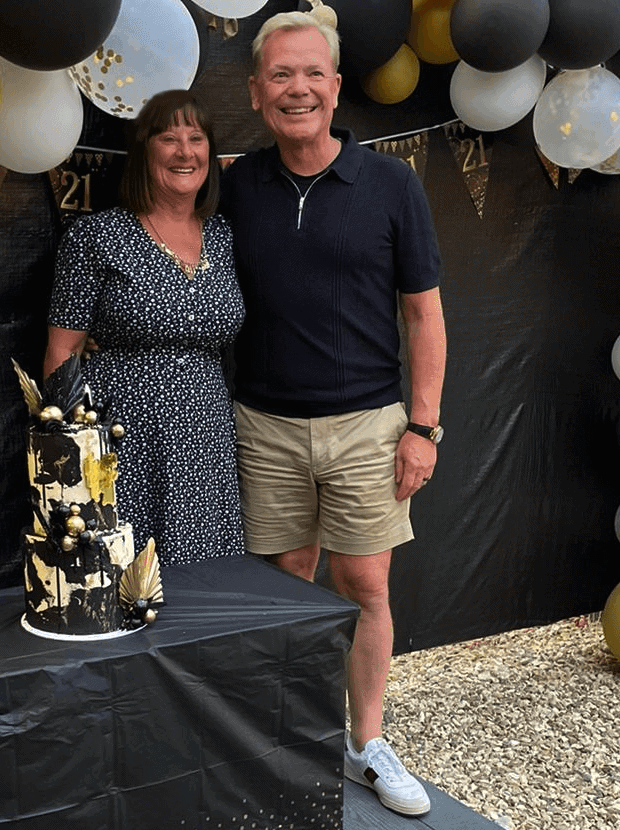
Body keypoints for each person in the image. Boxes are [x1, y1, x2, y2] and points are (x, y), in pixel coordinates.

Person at [219, 11, 447, 818]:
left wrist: (423, 428)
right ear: (255, 91)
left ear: (337, 87)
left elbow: (424, 314)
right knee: (288, 587)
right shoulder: (238, 184)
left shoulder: (390, 185)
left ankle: (365, 744)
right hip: (265, 424)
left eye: (312, 74)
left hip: (368, 425)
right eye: (280, 75)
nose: (297, 89)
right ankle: (299, 737)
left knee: (364, 585)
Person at [43, 89, 246, 567]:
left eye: (197, 139)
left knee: (205, 580)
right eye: (169, 138)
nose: (184, 151)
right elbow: (61, 353)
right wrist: (71, 458)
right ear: (144, 151)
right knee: (124, 577)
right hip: (124, 437)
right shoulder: (96, 237)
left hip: (206, 435)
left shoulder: (222, 235)